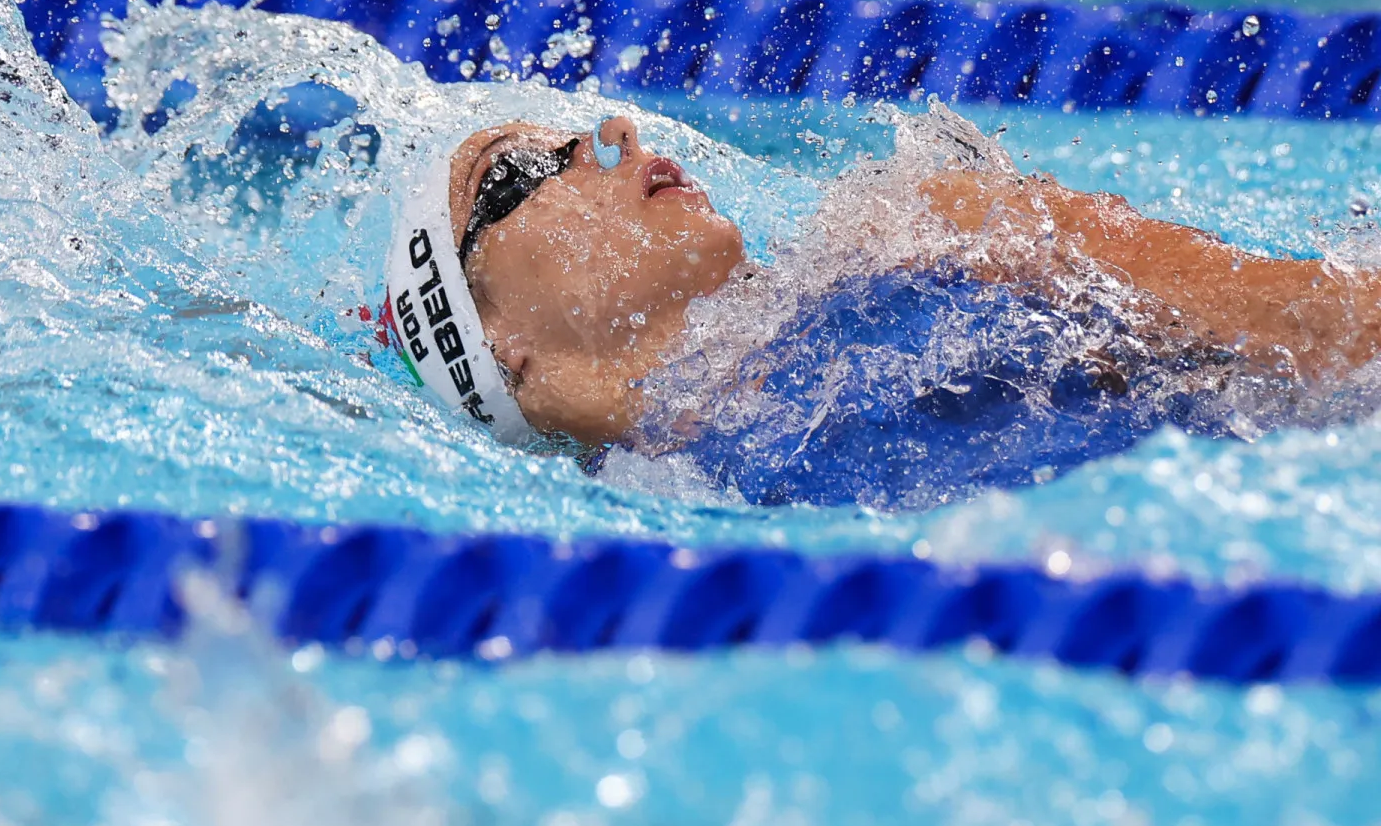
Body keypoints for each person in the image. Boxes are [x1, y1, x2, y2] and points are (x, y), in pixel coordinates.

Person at [380, 110, 1381, 508]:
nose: (612, 131)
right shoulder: (674, 497)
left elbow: (1324, 329)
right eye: (518, 173)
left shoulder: (916, 249)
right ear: (499, 349)